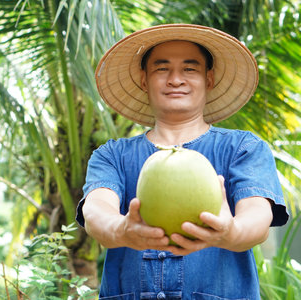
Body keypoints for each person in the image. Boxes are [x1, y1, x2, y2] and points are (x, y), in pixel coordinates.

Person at [75, 24, 289, 300]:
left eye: (190, 69)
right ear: (144, 80)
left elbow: (258, 218)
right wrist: (121, 229)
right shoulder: (112, 155)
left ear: (208, 79)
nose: (175, 79)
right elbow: (96, 211)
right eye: (162, 69)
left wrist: (230, 232)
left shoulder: (243, 148)